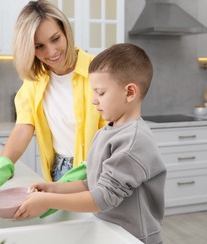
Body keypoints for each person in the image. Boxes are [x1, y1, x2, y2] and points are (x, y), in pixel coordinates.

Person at [14, 43, 167, 244]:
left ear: (130, 92)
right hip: (110, 230)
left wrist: (48, 201)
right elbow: (91, 184)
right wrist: (52, 188)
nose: (94, 100)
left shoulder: (132, 141)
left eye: (100, 93)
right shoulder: (106, 132)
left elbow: (103, 198)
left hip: (134, 238)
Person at [0, 0, 106, 198]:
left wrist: (86, 171)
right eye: (39, 46)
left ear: (66, 31)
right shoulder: (34, 82)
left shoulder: (100, 71)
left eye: (55, 39)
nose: (51, 52)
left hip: (99, 170)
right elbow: (24, 126)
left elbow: (114, 132)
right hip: (59, 172)